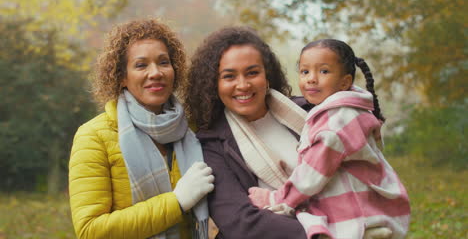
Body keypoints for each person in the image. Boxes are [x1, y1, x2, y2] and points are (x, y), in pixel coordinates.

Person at [184, 27, 393, 239]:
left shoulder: (314, 112)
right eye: (229, 76)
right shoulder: (211, 145)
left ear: (267, 75)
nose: (243, 85)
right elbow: (240, 222)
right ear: (214, 84)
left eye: (252, 73)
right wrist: (330, 234)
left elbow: (363, 168)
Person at [248, 39, 411, 239]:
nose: (311, 79)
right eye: (305, 71)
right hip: (369, 201)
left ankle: (365, 232)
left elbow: (311, 176)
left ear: (345, 82)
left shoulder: (337, 123)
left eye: (323, 71)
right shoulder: (350, 109)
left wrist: (274, 198)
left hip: (356, 210)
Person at [68, 18, 214, 239]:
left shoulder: (193, 129)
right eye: (141, 65)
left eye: (164, 62)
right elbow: (90, 230)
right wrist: (177, 202)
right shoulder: (93, 136)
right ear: (122, 77)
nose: (155, 72)